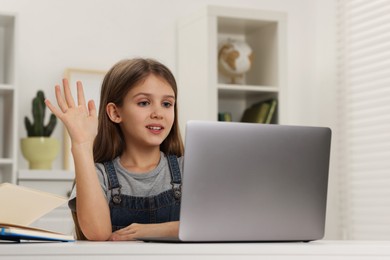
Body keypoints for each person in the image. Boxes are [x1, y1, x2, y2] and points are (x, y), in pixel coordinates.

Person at [45, 58, 184, 241]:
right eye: (144, 103)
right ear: (115, 113)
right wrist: (82, 145)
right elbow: (98, 233)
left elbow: (210, 225)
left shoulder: (186, 168)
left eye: (167, 104)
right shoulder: (99, 175)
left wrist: (145, 231)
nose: (158, 113)